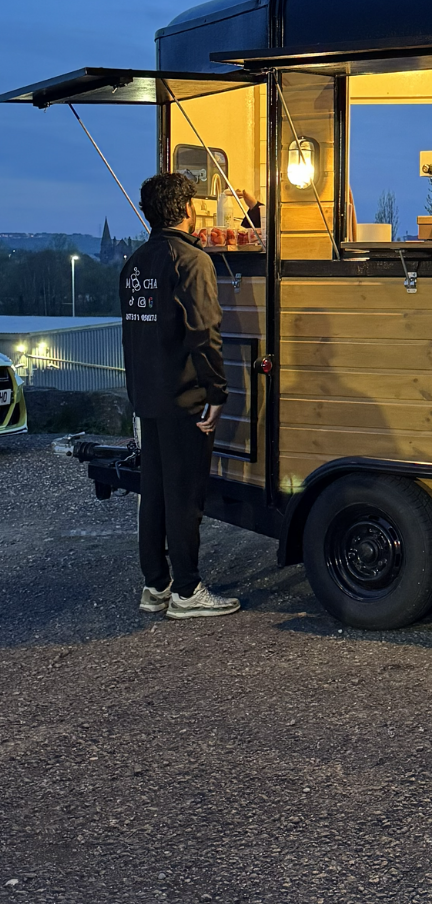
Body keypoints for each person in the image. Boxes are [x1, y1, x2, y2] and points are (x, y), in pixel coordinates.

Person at [119, 172, 239, 620]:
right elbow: (204, 333)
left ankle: (156, 587)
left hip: (146, 395)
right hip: (185, 396)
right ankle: (188, 593)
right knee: (185, 497)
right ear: (188, 210)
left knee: (154, 493)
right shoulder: (190, 260)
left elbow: (134, 335)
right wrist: (216, 392)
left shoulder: (135, 262)